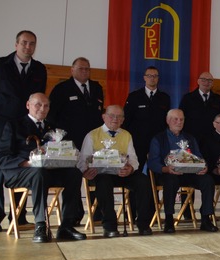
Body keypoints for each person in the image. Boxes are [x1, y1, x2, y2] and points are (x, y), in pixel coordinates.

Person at [0, 30, 47, 232]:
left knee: (23, 166)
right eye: (24, 43)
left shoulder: (39, 69)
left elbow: (37, 97)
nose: (28, 47)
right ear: (16, 44)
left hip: (24, 128)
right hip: (0, 127)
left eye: (32, 43)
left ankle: (18, 216)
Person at [0, 93, 85, 243]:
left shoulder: (53, 129)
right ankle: (40, 224)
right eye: (38, 104)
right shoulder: (13, 125)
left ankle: (67, 226)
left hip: (47, 172)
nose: (42, 109)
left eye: (46, 105)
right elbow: (2, 157)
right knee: (39, 172)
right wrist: (28, 163)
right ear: (28, 105)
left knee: (74, 173)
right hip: (20, 172)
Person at [77, 105, 153, 237]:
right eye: (112, 115)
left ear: (123, 120)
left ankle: (143, 224)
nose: (115, 119)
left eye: (119, 116)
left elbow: (134, 159)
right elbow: (82, 160)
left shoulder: (126, 135)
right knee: (104, 182)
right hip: (100, 174)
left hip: (121, 173)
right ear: (104, 117)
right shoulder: (92, 135)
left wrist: (130, 169)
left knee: (143, 181)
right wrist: (86, 171)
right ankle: (110, 226)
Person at [48, 56, 104, 223]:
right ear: (72, 70)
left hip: (94, 141)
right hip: (70, 142)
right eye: (81, 68)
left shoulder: (96, 88)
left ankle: (98, 213)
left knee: (96, 173)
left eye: (87, 68)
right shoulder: (61, 89)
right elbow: (52, 117)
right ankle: (72, 216)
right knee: (72, 177)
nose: (85, 71)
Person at [147, 109, 218, 233]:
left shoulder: (190, 138)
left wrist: (204, 166)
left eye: (182, 119)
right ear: (168, 121)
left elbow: (199, 157)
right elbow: (152, 162)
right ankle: (169, 219)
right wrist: (166, 169)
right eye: (175, 119)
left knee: (207, 180)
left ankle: (206, 219)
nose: (179, 122)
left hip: (189, 173)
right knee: (171, 181)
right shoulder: (158, 139)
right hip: (168, 173)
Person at [123, 66, 171, 173]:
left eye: (155, 76)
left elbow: (167, 121)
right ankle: (134, 190)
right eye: (149, 76)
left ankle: (153, 191)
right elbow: (126, 120)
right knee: (136, 170)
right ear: (144, 78)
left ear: (158, 78)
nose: (152, 78)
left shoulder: (165, 98)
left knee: (155, 172)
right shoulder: (134, 96)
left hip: (157, 142)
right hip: (138, 141)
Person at [178, 71, 220, 145]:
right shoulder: (188, 98)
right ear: (198, 81)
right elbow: (181, 117)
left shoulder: (218, 99)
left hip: (212, 140)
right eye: (203, 79)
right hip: (192, 139)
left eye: (209, 80)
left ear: (212, 83)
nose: (206, 82)